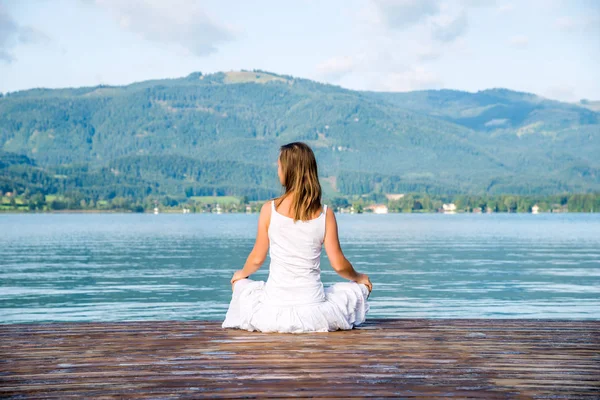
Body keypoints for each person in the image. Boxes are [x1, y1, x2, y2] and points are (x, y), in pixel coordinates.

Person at [222, 142, 372, 333]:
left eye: (279, 166)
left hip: (272, 312)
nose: (277, 171)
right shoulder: (325, 214)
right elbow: (339, 265)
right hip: (313, 310)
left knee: (241, 285)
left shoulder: (270, 209)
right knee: (358, 289)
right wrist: (360, 278)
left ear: (289, 171)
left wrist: (240, 275)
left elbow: (257, 259)